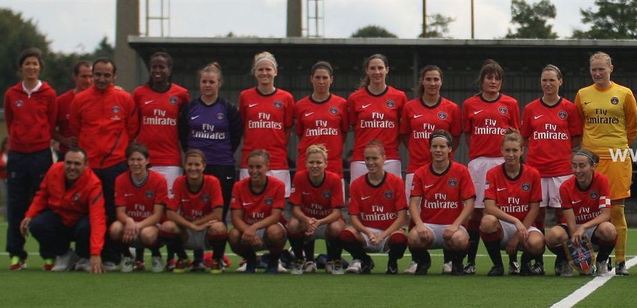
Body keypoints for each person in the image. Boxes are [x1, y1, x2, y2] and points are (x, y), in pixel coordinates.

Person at [70, 58, 139, 268]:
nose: (101, 79)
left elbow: (133, 129)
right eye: (97, 74)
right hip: (88, 168)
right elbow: (76, 130)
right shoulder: (80, 100)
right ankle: (84, 254)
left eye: (106, 75)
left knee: (111, 212)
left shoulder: (125, 99)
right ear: (92, 74)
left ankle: (111, 256)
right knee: (84, 213)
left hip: (115, 166)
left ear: (114, 76)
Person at [574, 51, 637, 275]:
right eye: (594, 69)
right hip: (591, 159)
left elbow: (632, 126)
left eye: (602, 68)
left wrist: (618, 147)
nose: (598, 73)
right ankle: (594, 259)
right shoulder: (582, 94)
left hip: (618, 158)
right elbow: (580, 124)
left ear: (611, 68)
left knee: (617, 212)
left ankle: (620, 261)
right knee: (590, 211)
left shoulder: (624, 93)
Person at [520, 64, 582, 274]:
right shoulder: (530, 109)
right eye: (544, 80)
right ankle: (535, 260)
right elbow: (525, 138)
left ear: (560, 82)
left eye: (552, 80)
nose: (547, 84)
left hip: (561, 171)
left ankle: (562, 260)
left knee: (561, 218)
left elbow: (575, 138)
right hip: (536, 171)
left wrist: (560, 154)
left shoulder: (569, 108)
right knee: (535, 216)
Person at [400, 65, 462, 274]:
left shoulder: (452, 108)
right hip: (416, 168)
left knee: (445, 209)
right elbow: (405, 135)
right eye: (429, 79)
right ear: (422, 82)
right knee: (415, 213)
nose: (433, 83)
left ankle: (448, 259)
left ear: (441, 82)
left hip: (443, 170)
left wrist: (442, 159)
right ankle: (417, 259)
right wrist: (420, 155)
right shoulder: (410, 107)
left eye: (436, 79)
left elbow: (456, 138)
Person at [462, 59, 520, 274]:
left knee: (505, 210)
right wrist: (481, 154)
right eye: (489, 78)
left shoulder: (511, 104)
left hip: (502, 163)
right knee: (475, 214)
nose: (493, 81)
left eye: (497, 78)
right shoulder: (469, 104)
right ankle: (471, 261)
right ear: (482, 80)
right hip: (478, 163)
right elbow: (468, 135)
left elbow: (515, 134)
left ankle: (512, 261)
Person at [4, 47, 57, 270]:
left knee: (44, 206)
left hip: (40, 156)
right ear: (21, 68)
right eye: (28, 64)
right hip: (17, 156)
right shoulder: (11, 94)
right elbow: (9, 122)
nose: (32, 67)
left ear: (40, 67)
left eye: (35, 64)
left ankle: (48, 254)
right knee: (16, 206)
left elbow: (52, 122)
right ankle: (17, 254)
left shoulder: (49, 94)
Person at [19, 148, 106, 274]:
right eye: (68, 162)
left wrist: (95, 253)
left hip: (80, 224)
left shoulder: (94, 184)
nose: (72, 167)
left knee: (87, 227)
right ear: (63, 162)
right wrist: (29, 215)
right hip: (60, 218)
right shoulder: (54, 170)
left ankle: (84, 257)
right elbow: (42, 195)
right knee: (37, 225)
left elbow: (98, 219)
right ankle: (65, 255)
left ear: (86, 165)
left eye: (77, 164)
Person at [180, 62, 242, 223]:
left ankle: (217, 249)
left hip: (222, 165)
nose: (207, 85)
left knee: (218, 217)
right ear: (199, 83)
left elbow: (236, 137)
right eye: (204, 82)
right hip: (196, 168)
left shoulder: (228, 109)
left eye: (211, 82)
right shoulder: (190, 108)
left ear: (219, 83)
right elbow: (183, 136)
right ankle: (197, 248)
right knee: (194, 211)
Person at [407, 130, 475, 275]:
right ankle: (424, 261)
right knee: (413, 237)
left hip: (453, 226)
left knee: (460, 240)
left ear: (450, 149)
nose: (438, 150)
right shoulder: (420, 173)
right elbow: (413, 203)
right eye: (435, 146)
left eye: (442, 147)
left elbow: (469, 203)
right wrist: (419, 225)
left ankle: (456, 263)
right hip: (429, 226)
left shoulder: (461, 171)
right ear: (430, 148)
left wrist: (456, 225)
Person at [479, 130, 544, 276]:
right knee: (487, 221)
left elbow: (534, 209)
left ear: (522, 150)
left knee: (537, 243)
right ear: (501, 150)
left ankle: (524, 263)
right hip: (503, 224)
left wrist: (517, 237)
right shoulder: (493, 173)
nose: (511, 154)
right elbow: (489, 207)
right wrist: (515, 221)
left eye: (515, 150)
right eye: (507, 150)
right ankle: (498, 265)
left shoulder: (533, 174)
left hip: (525, 225)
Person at [545, 149, 617, 276]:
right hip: (573, 227)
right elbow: (571, 223)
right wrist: (580, 255)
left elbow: (606, 214)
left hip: (593, 227)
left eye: (582, 166)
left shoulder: (602, 180)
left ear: (593, 166)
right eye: (574, 166)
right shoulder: (565, 187)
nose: (577, 170)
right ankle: (565, 259)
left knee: (609, 230)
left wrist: (584, 226)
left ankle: (602, 261)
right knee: (552, 236)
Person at [340, 141, 408, 274]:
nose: (370, 162)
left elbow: (401, 217)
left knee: (400, 240)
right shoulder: (356, 184)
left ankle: (392, 263)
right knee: (344, 235)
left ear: (384, 158)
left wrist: (383, 235)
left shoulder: (396, 182)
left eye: (374, 158)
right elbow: (353, 217)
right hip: (366, 233)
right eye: (367, 158)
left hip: (388, 232)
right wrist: (368, 232)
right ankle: (364, 259)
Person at [238, 51, 295, 197]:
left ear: (275, 72)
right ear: (254, 72)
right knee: (249, 203)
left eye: (268, 69)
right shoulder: (245, 96)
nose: (265, 73)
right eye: (260, 69)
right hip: (249, 161)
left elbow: (287, 128)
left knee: (278, 206)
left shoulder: (286, 98)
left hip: (277, 161)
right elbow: (242, 125)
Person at [134, 51, 190, 196]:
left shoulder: (181, 94)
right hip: (145, 160)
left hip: (170, 160)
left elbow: (186, 126)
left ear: (169, 70)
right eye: (154, 67)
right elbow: (133, 125)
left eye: (161, 67)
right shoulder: (139, 93)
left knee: (170, 203)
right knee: (146, 203)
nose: (157, 70)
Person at [162, 149, 227, 273]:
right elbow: (170, 212)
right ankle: (183, 258)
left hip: (206, 229)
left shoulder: (213, 182)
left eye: (197, 164)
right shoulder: (179, 181)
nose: (193, 168)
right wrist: (191, 225)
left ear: (204, 166)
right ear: (184, 165)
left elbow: (218, 214)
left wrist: (198, 224)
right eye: (190, 164)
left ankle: (216, 260)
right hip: (187, 230)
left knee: (219, 227)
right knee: (167, 226)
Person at [287, 144, 346, 275]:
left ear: (325, 163)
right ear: (306, 164)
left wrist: (319, 222)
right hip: (307, 221)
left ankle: (332, 261)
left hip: (327, 221)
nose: (315, 165)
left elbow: (337, 213)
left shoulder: (335, 179)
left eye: (319, 162)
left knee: (337, 227)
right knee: (292, 225)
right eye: (311, 162)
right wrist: (307, 220)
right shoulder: (299, 177)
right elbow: (295, 209)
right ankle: (303, 260)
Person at [348, 54, 406, 182]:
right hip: (361, 158)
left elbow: (403, 129)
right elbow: (353, 126)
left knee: (392, 199)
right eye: (373, 68)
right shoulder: (355, 98)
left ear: (387, 70)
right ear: (367, 71)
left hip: (390, 157)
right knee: (359, 198)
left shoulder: (399, 97)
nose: (377, 72)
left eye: (380, 68)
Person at [110, 144, 167, 272]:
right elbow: (120, 213)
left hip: (150, 225)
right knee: (115, 229)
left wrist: (138, 225)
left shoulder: (159, 180)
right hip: (130, 224)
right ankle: (127, 256)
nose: (135, 163)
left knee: (147, 234)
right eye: (132, 160)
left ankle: (156, 254)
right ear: (127, 161)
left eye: (139, 159)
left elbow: (157, 215)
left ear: (147, 161)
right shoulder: (120, 180)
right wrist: (129, 221)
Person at [228, 149, 287, 273]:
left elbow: (275, 217)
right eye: (251, 167)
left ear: (267, 166)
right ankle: (250, 260)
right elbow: (235, 218)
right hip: (247, 229)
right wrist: (248, 230)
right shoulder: (238, 186)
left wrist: (253, 228)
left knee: (275, 232)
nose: (254, 171)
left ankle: (274, 260)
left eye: (259, 167)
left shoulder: (278, 185)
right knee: (233, 235)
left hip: (267, 228)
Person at [295, 61, 348, 177]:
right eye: (317, 77)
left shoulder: (342, 104)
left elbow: (343, 132)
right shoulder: (300, 105)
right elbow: (300, 133)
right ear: (311, 79)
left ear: (331, 79)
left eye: (325, 78)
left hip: (333, 165)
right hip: (307, 166)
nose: (321, 81)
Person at [54, 60, 93, 157]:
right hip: (67, 155)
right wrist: (64, 140)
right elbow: (49, 128)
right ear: (75, 77)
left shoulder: (101, 100)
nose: (88, 81)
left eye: (90, 76)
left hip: (93, 155)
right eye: (84, 76)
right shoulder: (61, 101)